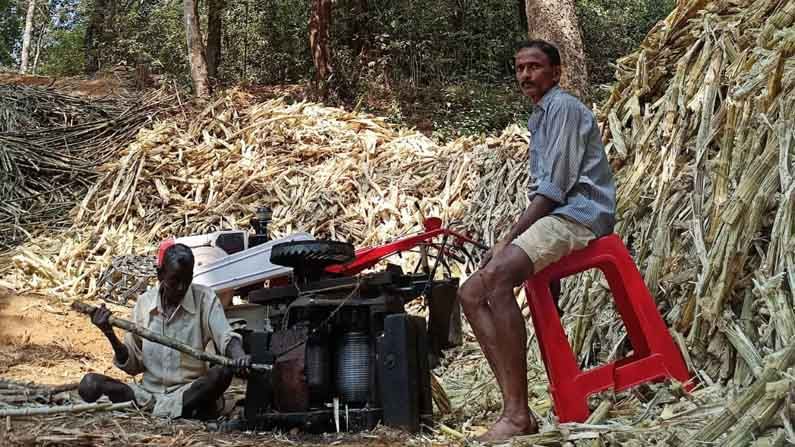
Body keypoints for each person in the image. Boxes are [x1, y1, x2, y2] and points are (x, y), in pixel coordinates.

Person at [458, 40, 616, 441]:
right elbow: (541, 191)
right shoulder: (538, 118)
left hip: (580, 214)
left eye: (535, 67)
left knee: (496, 278)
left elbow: (555, 190)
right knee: (470, 293)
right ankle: (517, 408)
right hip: (558, 214)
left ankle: (515, 416)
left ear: (556, 72)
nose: (525, 75)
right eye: (519, 68)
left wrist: (510, 237)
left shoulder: (562, 107)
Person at [78, 243, 252, 419]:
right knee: (90, 384)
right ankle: (177, 411)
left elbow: (227, 337)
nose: (181, 288)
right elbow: (132, 364)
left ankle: (180, 409)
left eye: (187, 280)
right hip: (145, 396)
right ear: (160, 274)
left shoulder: (205, 299)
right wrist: (109, 332)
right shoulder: (144, 303)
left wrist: (239, 356)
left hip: (188, 393)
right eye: (175, 280)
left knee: (222, 372)